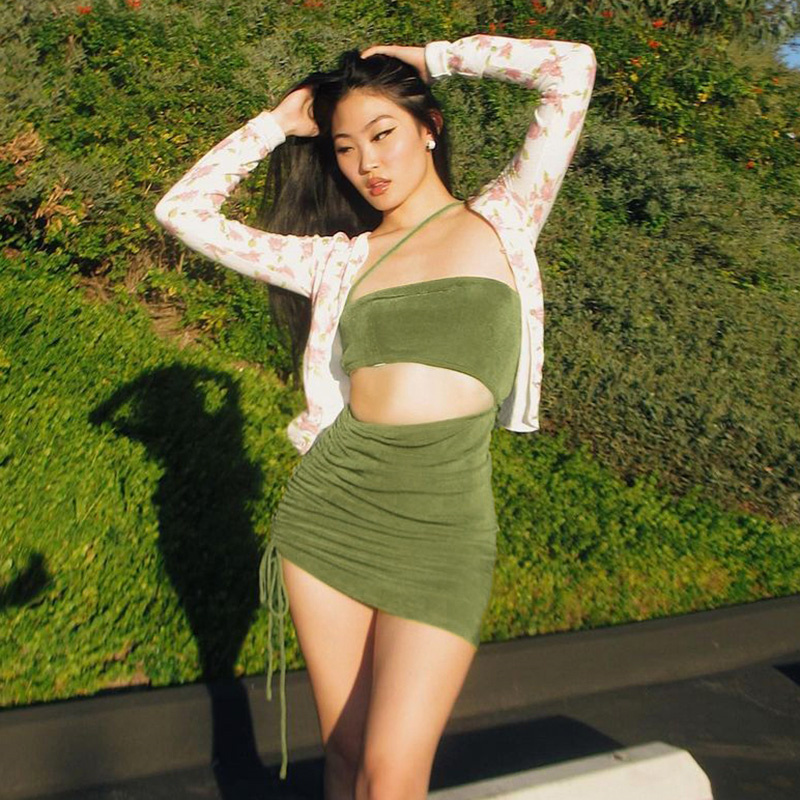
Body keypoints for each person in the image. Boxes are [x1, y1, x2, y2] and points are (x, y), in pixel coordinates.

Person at [154, 32, 596, 798]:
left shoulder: (506, 215)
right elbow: (183, 212)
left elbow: (571, 70)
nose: (368, 162)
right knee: (349, 754)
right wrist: (274, 125)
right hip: (333, 512)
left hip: (444, 525)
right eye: (346, 147)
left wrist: (438, 58)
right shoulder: (338, 260)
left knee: (392, 773)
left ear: (430, 128)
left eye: (384, 133)